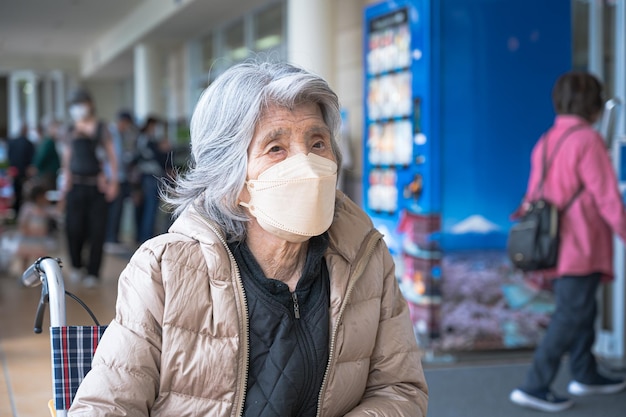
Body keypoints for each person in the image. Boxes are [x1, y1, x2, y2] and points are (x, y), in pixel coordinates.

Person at [69, 61, 428, 416]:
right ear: (231, 179)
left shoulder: (365, 257)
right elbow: (106, 406)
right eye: (276, 148)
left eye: (317, 143)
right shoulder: (164, 271)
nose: (307, 165)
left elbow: (400, 390)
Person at [509, 71, 626, 412]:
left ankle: (585, 373)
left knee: (583, 308)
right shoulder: (588, 140)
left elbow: (533, 195)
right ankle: (535, 384)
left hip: (554, 244)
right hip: (581, 243)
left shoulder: (547, 140)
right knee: (570, 314)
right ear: (592, 104)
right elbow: (607, 197)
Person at [60, 89, 119, 288]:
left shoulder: (102, 128)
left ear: (90, 104)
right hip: (75, 186)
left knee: (97, 231)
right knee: (73, 228)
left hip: (97, 187)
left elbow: (111, 157)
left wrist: (114, 182)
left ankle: (93, 271)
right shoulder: (70, 130)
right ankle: (76, 266)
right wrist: (65, 179)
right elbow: (67, 158)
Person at [133, 115, 172, 243]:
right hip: (151, 178)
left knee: (149, 209)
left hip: (149, 178)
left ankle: (145, 237)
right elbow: (156, 157)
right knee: (150, 209)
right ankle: (146, 238)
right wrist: (164, 150)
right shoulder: (146, 140)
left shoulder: (146, 139)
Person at [104, 110, 138, 252]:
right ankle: (110, 238)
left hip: (121, 176)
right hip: (113, 177)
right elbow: (112, 158)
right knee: (114, 209)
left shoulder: (120, 135)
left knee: (118, 209)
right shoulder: (110, 134)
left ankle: (114, 237)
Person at [15, 181, 58, 271]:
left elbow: (56, 212)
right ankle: (24, 273)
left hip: (40, 239)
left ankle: (40, 275)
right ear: (38, 197)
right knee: (25, 257)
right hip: (28, 237)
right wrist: (25, 230)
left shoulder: (45, 208)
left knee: (40, 258)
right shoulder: (28, 208)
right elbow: (23, 222)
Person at [7, 122, 35, 218]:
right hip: (24, 172)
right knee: (24, 193)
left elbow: (9, 156)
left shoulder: (12, 142)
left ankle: (17, 212)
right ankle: (22, 213)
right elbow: (31, 159)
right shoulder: (28, 143)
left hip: (15, 171)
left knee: (16, 192)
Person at [32, 119, 62, 192]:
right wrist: (35, 166)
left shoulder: (51, 141)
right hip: (48, 174)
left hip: (51, 173)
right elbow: (41, 157)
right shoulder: (48, 142)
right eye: (56, 128)